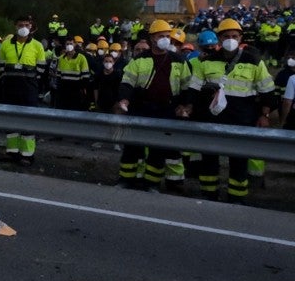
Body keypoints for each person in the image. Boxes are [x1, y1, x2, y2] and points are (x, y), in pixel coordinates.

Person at [188, 18, 276, 202]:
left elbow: (267, 90)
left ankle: (236, 197)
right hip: (212, 119)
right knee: (209, 158)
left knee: (239, 161)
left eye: (234, 36)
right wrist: (188, 107)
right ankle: (209, 193)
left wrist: (264, 115)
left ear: (240, 37)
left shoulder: (254, 61)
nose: (230, 39)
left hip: (242, 119)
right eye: (226, 36)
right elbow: (193, 89)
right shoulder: (207, 61)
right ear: (219, 39)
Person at [114, 19, 192, 192]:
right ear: (152, 39)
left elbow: (187, 86)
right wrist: (124, 100)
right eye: (161, 36)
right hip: (141, 108)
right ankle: (126, 179)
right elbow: (127, 83)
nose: (165, 39)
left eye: (167, 36)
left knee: (158, 149)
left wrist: (185, 106)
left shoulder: (178, 61)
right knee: (132, 146)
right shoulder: (139, 60)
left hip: (167, 110)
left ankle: (152, 183)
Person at [0, 15, 46, 163]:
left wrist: (30, 81)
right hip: (10, 88)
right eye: (20, 25)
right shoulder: (5, 44)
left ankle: (27, 155)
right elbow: (0, 68)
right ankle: (12, 152)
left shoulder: (37, 45)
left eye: (26, 25)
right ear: (15, 27)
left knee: (28, 121)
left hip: (29, 89)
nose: (23, 28)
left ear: (31, 26)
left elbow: (42, 69)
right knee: (10, 121)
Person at [53, 39, 92, 111]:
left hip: (76, 91)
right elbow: (58, 76)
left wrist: (82, 90)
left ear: (74, 45)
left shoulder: (81, 58)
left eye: (71, 43)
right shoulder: (61, 58)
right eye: (67, 44)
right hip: (63, 90)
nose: (69, 46)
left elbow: (85, 77)